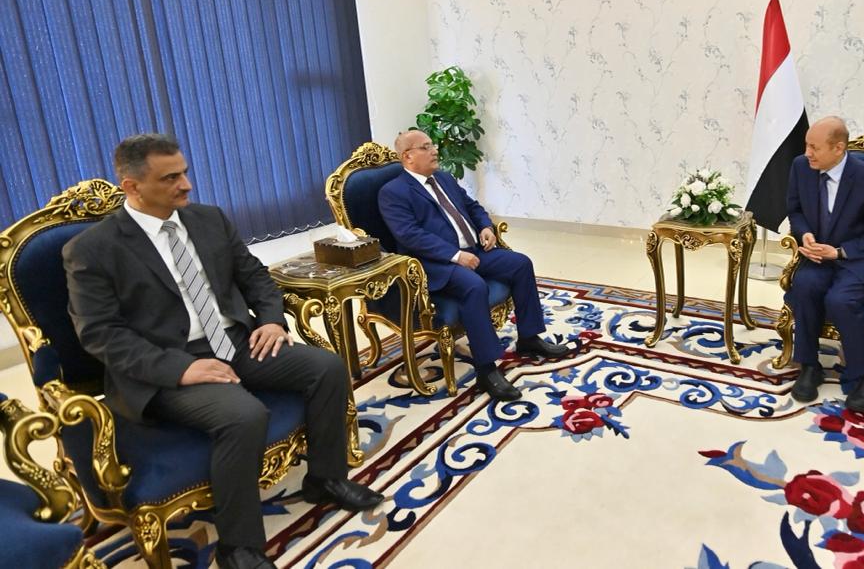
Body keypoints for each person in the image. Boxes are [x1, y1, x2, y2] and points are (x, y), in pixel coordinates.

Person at [63, 134, 383, 569]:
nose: (186, 184)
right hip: (166, 364)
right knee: (243, 415)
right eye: (170, 178)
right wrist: (182, 370)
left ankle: (325, 480)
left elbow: (255, 276)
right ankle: (239, 546)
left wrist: (271, 320)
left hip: (234, 339)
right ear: (131, 186)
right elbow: (101, 334)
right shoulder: (92, 249)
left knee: (326, 368)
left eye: (184, 172)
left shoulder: (209, 219)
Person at [378, 129, 569, 401]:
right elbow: (410, 235)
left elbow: (473, 206)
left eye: (432, 145)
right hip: (436, 264)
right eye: (426, 147)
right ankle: (486, 369)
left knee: (520, 264)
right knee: (474, 286)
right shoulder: (393, 192)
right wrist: (455, 255)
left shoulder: (444, 178)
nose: (435, 150)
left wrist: (486, 227)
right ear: (408, 157)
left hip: (475, 250)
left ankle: (529, 338)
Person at [784, 116, 864, 412]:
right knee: (804, 285)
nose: (807, 153)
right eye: (807, 145)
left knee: (840, 300)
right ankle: (810, 366)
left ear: (838, 148)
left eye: (814, 147)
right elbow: (795, 210)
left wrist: (839, 252)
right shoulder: (800, 167)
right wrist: (804, 234)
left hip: (857, 259)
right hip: (818, 255)